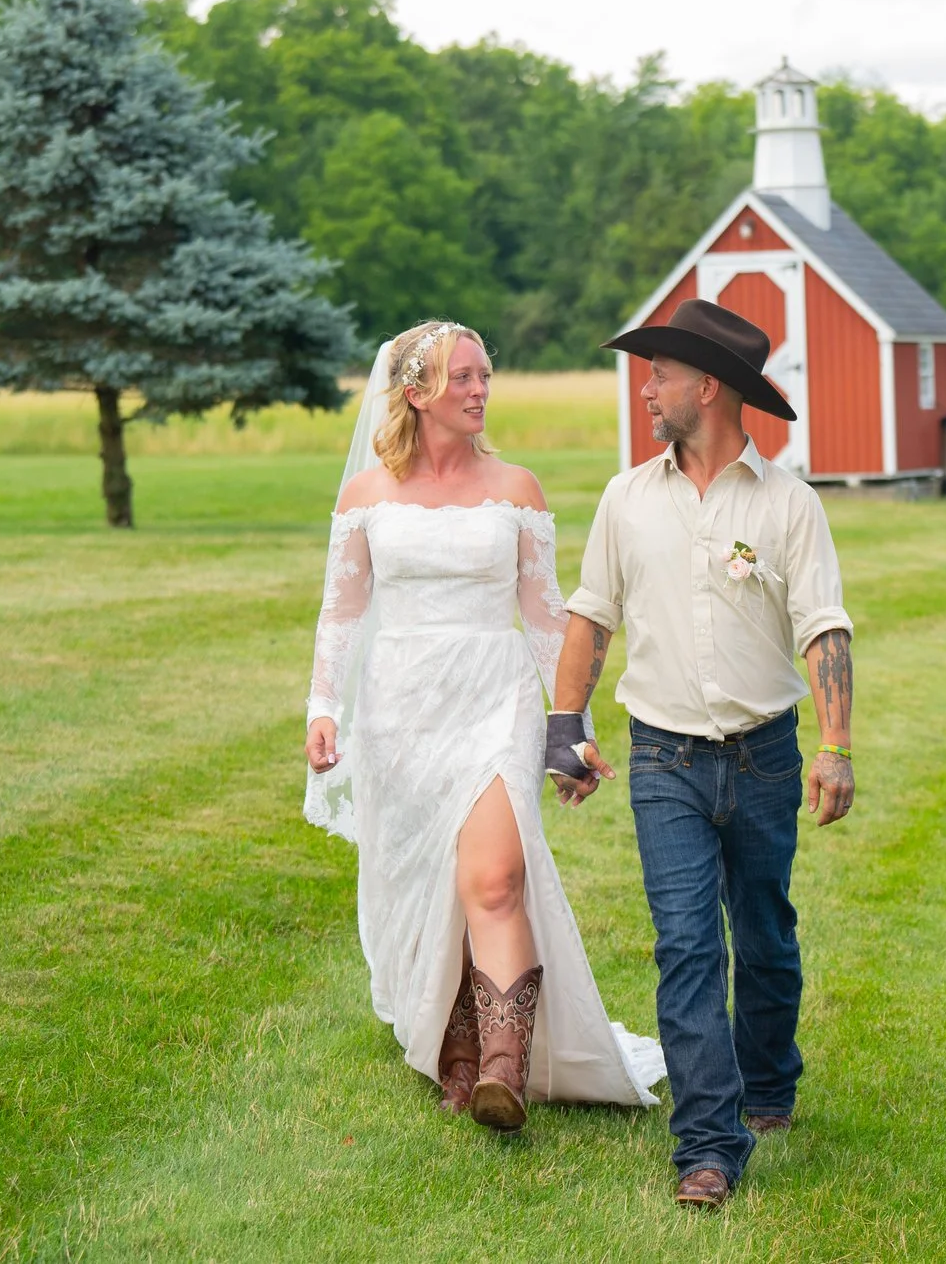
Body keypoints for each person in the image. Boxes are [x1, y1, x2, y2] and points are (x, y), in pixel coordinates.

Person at [303, 319, 665, 1132]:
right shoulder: (366, 496)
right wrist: (324, 707)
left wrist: (568, 727)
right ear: (414, 391)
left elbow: (546, 619)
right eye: (461, 377)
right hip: (401, 705)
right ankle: (455, 1048)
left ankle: (503, 1070)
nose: (478, 391)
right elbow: (342, 611)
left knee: (496, 877)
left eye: (484, 376)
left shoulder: (518, 489)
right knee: (429, 882)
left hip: (491, 697)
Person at [550, 299, 857, 1210]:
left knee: (763, 935)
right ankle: (707, 1146)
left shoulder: (788, 503)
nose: (648, 389)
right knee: (686, 947)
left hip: (765, 755)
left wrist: (834, 746)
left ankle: (768, 1082)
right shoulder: (625, 499)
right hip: (663, 760)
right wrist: (565, 731)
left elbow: (824, 627)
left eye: (661, 375)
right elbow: (590, 615)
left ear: (708, 386)